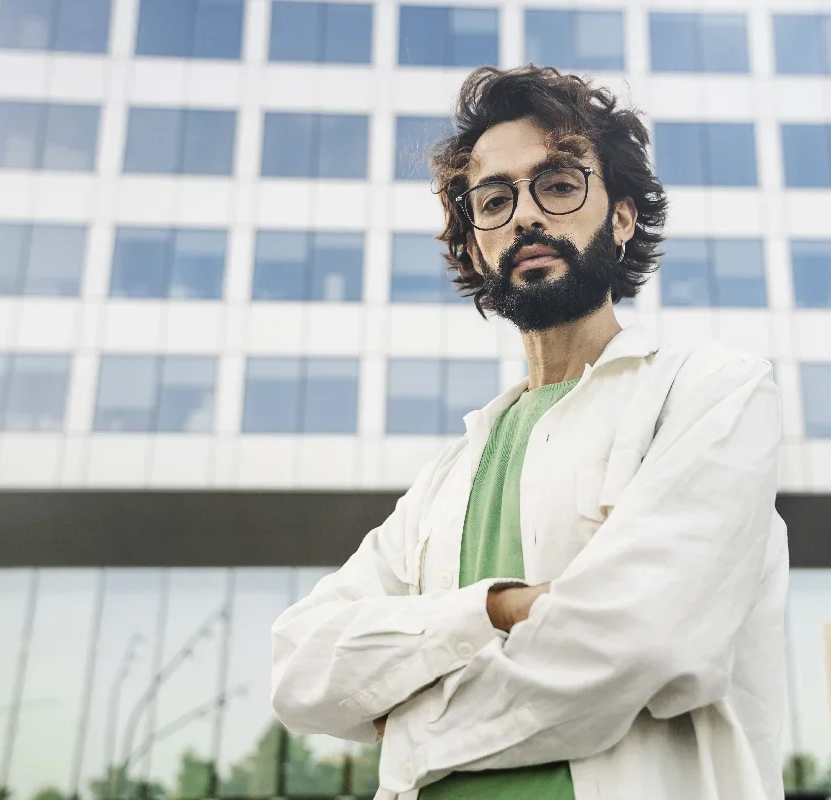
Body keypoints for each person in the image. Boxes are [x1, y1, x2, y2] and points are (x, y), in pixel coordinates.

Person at [271, 65, 789, 800]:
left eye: (558, 184)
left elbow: (640, 641)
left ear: (621, 216)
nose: (523, 216)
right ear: (474, 240)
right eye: (495, 198)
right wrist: (493, 608)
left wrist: (413, 726)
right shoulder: (446, 480)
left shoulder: (710, 393)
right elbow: (300, 669)